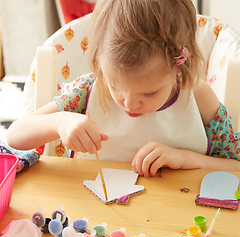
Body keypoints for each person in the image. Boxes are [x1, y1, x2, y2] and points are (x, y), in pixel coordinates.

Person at [7, 0, 240, 177]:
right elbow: (15, 136)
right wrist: (59, 122)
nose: (128, 103)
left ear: (178, 66)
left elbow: (235, 166)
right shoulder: (85, 91)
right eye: (115, 86)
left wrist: (185, 158)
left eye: (149, 93)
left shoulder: (198, 98)